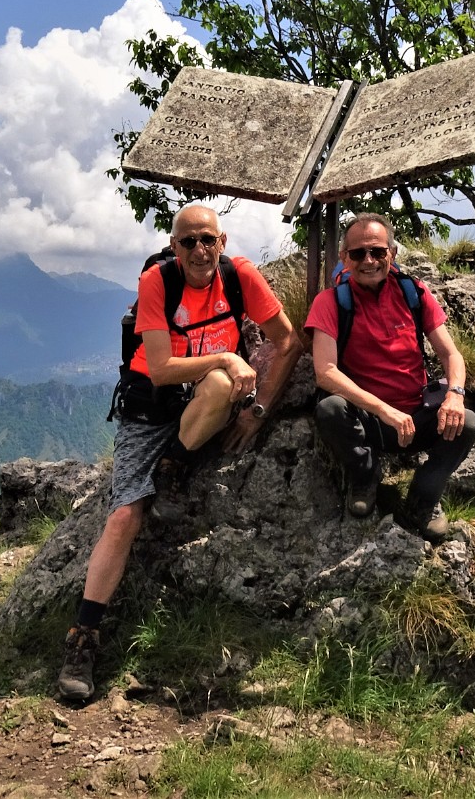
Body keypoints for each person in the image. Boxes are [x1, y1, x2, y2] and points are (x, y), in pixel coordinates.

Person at [57, 204, 301, 701]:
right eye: (187, 242)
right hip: (150, 408)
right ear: (174, 247)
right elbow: (163, 369)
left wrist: (260, 410)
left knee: (215, 383)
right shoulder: (157, 282)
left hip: (203, 403)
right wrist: (231, 356)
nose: (199, 250)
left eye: (207, 239)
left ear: (223, 240)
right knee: (124, 515)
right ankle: (83, 637)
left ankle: (175, 465)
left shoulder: (241, 277)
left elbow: (288, 339)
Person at [305, 213, 475, 540]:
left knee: (467, 422)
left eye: (377, 251)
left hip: (418, 413)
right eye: (357, 254)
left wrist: (455, 394)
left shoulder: (413, 292)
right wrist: (385, 411)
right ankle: (364, 478)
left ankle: (423, 498)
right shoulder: (330, 302)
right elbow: (325, 373)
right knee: (329, 411)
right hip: (369, 419)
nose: (368, 260)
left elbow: (451, 354)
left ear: (392, 253)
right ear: (344, 258)